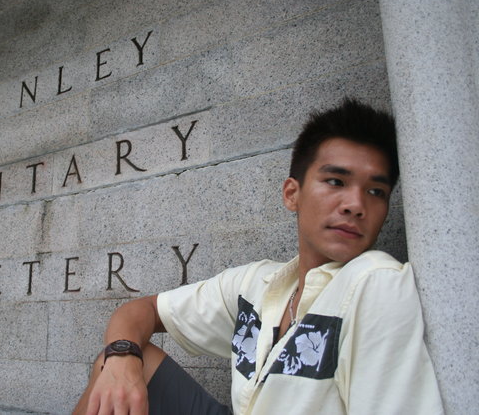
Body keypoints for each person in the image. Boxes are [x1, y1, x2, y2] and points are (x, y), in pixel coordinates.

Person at [73, 98, 444, 415]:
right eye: (336, 181)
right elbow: (140, 311)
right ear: (292, 194)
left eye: (376, 191)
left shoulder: (376, 283)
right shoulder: (258, 284)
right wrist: (122, 357)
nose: (355, 204)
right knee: (114, 363)